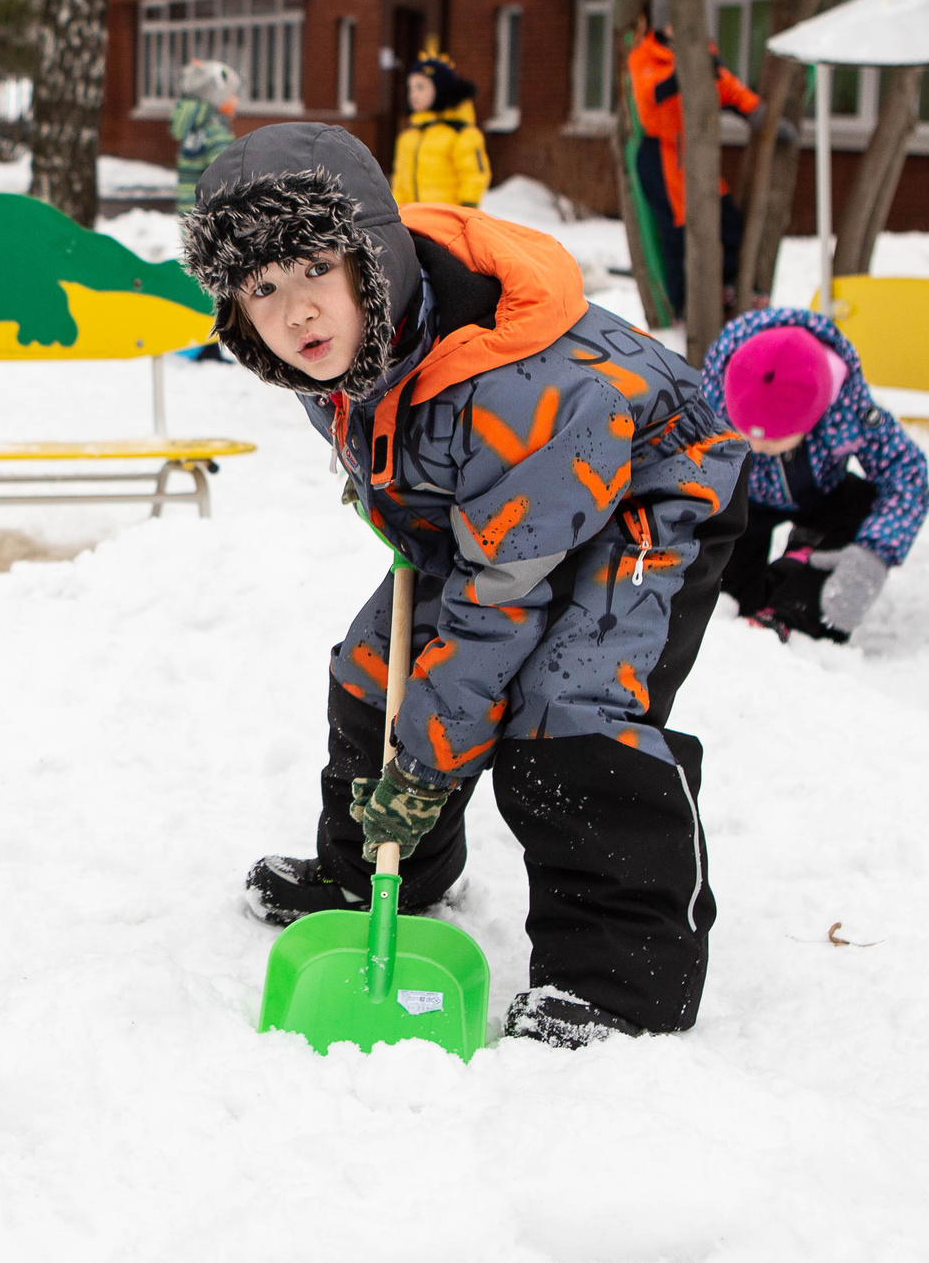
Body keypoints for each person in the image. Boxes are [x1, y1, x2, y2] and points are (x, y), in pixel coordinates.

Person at [183, 122, 748, 1047]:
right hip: (504, 503)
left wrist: (431, 758)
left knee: (566, 705)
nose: (293, 313)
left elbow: (498, 604)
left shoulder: (520, 381)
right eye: (260, 287)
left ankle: (620, 981)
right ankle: (379, 872)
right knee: (377, 670)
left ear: (373, 255)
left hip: (654, 485)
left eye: (314, 268)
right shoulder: (351, 341)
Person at [700, 310, 929, 642]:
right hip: (743, 500)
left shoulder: (849, 406)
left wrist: (874, 555)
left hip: (822, 494)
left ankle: (792, 611)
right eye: (745, 433)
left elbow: (906, 472)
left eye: (774, 438)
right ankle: (784, 573)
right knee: (729, 597)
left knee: (861, 504)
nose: (758, 446)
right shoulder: (714, 392)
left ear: (814, 416)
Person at [626, 20, 759, 315]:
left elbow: (727, 87)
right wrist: (689, 68)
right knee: (677, 235)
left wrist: (755, 110)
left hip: (696, 156)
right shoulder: (645, 57)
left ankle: (726, 288)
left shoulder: (703, 51)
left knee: (727, 221)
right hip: (662, 156)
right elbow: (652, 94)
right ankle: (682, 306)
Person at [390, 48, 489, 207]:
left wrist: (466, 210)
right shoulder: (407, 137)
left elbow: (474, 176)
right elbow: (400, 181)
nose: (413, 94)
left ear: (440, 90)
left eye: (421, 87)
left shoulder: (461, 134)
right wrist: (396, 213)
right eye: (411, 87)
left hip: (448, 222)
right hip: (412, 222)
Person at [170, 58, 239, 215]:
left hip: (188, 210)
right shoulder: (216, 134)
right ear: (218, 98)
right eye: (232, 94)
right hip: (208, 213)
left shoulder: (194, 129)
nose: (236, 100)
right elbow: (226, 175)